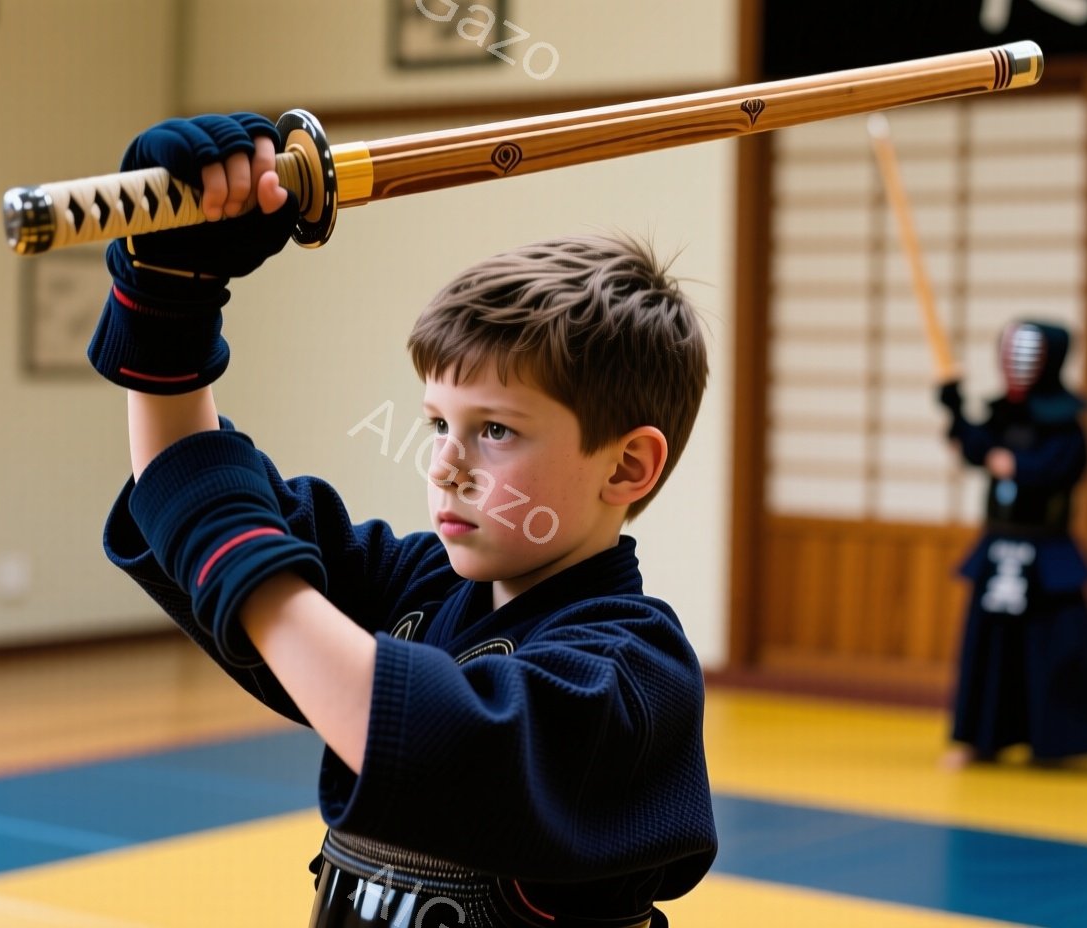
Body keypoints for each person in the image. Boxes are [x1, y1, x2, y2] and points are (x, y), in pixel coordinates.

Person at [87, 113, 717, 926]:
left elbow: (427, 742)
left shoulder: (632, 673)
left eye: (496, 430)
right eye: (438, 424)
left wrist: (242, 563)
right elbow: (181, 480)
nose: (446, 464)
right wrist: (170, 303)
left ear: (626, 467)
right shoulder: (411, 589)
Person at [937, 320, 1087, 789]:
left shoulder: (1066, 425)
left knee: (1069, 648)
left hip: (1047, 551)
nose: (1017, 365)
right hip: (998, 545)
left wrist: (1015, 464)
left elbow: (1060, 466)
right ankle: (980, 738)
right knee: (990, 648)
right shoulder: (1003, 416)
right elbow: (977, 449)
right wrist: (954, 405)